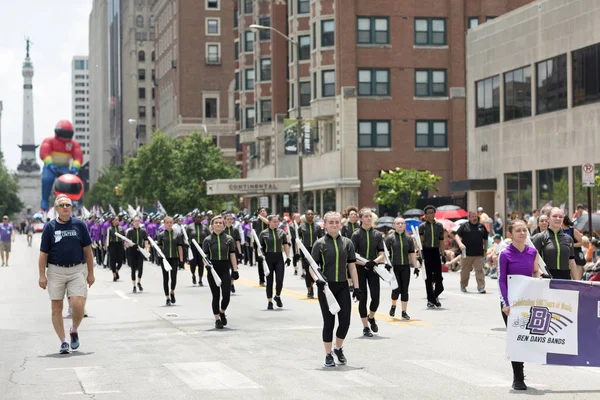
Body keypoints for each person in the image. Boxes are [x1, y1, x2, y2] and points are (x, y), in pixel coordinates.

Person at [38, 194, 95, 354]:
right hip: (56, 271)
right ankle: (63, 341)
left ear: (71, 208)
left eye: (68, 205)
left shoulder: (79, 225)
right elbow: (43, 254)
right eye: (61, 205)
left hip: (76, 269)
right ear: (56, 209)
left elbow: (88, 251)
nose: (65, 207)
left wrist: (91, 273)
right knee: (56, 307)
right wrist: (42, 275)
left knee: (78, 305)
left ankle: (74, 330)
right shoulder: (50, 227)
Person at [310, 211, 360, 367]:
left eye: (337, 222)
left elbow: (352, 266)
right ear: (325, 224)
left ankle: (338, 348)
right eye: (330, 222)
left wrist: (356, 287)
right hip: (326, 288)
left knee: (345, 322)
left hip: (343, 286)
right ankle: (328, 354)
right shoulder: (319, 244)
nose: (334, 225)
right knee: (329, 322)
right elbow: (312, 266)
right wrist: (317, 280)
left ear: (341, 224)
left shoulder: (347, 243)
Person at [498, 219, 542, 390]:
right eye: (518, 231)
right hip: (510, 303)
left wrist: (537, 278)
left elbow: (535, 271)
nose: (522, 233)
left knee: (526, 337)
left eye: (524, 230)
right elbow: (502, 280)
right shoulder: (505, 253)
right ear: (510, 234)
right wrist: (505, 303)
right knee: (516, 338)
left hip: (528, 301)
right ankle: (518, 377)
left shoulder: (532, 252)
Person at [351, 207, 385, 337]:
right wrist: (365, 263)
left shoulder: (377, 234)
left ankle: (371, 317)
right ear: (360, 219)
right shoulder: (356, 234)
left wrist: (374, 263)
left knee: (376, 298)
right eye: (366, 216)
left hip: (374, 269)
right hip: (360, 269)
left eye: (370, 216)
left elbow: (382, 254)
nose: (369, 218)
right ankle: (365, 327)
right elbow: (352, 255)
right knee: (363, 298)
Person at [202, 215, 240, 329]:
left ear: (223, 225)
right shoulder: (207, 240)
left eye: (220, 223)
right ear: (212, 225)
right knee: (216, 295)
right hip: (213, 269)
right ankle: (217, 319)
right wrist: (207, 266)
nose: (218, 224)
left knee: (226, 295)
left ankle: (222, 311)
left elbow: (232, 255)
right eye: (216, 223)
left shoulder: (229, 239)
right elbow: (204, 256)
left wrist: (235, 270)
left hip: (224, 268)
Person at [385, 217, 418, 320]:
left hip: (405, 267)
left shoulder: (409, 238)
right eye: (398, 223)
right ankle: (393, 305)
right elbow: (385, 253)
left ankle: (404, 312)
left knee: (405, 290)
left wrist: (416, 267)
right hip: (394, 267)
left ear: (405, 225)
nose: (400, 225)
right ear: (394, 225)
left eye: (402, 223)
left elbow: (412, 254)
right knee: (396, 289)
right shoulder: (389, 238)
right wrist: (386, 263)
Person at [531, 207, 576, 280]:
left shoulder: (569, 239)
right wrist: (539, 273)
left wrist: (578, 282)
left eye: (560, 217)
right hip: (546, 278)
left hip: (565, 278)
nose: (558, 218)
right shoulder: (539, 237)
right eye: (554, 216)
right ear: (548, 219)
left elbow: (571, 261)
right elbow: (532, 259)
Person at [258, 214, 291, 309]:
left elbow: (285, 245)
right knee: (269, 280)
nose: (276, 223)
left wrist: (288, 257)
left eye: (277, 221)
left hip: (279, 258)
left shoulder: (281, 233)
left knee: (279, 280)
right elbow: (259, 247)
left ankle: (277, 296)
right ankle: (269, 301)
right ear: (269, 222)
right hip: (268, 258)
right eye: (274, 221)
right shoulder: (263, 233)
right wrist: (260, 255)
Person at [454, 211, 489, 294]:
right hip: (466, 253)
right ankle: (463, 285)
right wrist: (460, 244)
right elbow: (456, 235)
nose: (474, 218)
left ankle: (481, 287)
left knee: (479, 271)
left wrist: (485, 250)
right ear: (469, 218)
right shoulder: (464, 226)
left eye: (475, 216)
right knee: (465, 271)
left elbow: (486, 239)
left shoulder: (481, 226)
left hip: (478, 254)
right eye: (472, 216)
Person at [419, 205, 446, 308]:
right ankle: (431, 300)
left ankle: (435, 296)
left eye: (432, 212)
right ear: (425, 215)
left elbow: (441, 241)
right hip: (426, 252)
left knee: (439, 278)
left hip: (435, 251)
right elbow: (420, 241)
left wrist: (443, 254)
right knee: (428, 278)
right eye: (428, 213)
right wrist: (420, 254)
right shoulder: (422, 226)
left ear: (434, 213)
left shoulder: (439, 226)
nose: (430, 214)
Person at [157, 216, 184, 306]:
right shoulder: (161, 235)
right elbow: (158, 247)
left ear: (172, 223)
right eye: (167, 222)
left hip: (174, 258)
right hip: (165, 259)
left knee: (174, 278)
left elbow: (180, 246)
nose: (169, 224)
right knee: (166, 278)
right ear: (164, 224)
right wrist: (159, 254)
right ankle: (167, 298)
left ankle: (172, 291)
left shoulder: (177, 234)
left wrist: (181, 257)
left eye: (170, 222)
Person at [298, 209, 324, 298]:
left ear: (313, 216)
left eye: (311, 214)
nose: (310, 215)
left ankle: (315, 285)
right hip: (305, 251)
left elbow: (321, 239)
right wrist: (298, 253)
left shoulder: (317, 227)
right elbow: (298, 241)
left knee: (316, 270)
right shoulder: (301, 227)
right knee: (308, 272)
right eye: (308, 214)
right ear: (305, 216)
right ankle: (309, 290)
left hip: (315, 250)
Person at [125, 216, 149, 293]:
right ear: (133, 222)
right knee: (133, 269)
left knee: (140, 268)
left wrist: (146, 249)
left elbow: (145, 241)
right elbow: (126, 242)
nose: (137, 223)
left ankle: (139, 282)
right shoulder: (130, 231)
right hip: (132, 251)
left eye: (138, 221)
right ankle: (134, 285)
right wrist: (132, 245)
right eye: (135, 221)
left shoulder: (143, 231)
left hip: (140, 251)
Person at [187, 212, 210, 286]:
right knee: (192, 263)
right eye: (197, 217)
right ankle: (193, 275)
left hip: (201, 247)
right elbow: (185, 237)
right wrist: (187, 243)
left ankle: (200, 279)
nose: (198, 219)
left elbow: (209, 236)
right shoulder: (190, 227)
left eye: (200, 217)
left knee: (201, 263)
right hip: (193, 247)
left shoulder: (205, 227)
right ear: (194, 218)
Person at [224, 213, 243, 293]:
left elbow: (237, 241)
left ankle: (231, 283)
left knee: (233, 269)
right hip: (224, 252)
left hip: (233, 252)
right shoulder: (222, 230)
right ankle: (227, 284)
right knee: (225, 269)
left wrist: (240, 252)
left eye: (231, 219)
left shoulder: (235, 230)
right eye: (227, 219)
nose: (229, 221)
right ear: (224, 220)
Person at [105, 216, 125, 282]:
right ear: (112, 221)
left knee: (120, 260)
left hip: (119, 244)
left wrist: (125, 244)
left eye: (118, 220)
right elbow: (107, 238)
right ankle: (114, 275)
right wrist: (106, 246)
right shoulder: (109, 229)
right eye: (116, 220)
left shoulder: (121, 228)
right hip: (112, 245)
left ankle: (116, 270)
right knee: (112, 260)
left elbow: (124, 237)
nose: (117, 221)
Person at [253, 208, 269, 285]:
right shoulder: (255, 222)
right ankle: (261, 279)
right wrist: (252, 243)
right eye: (261, 211)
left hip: (268, 243)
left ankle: (269, 278)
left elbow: (267, 222)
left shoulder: (269, 219)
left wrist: (259, 215)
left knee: (268, 260)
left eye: (264, 211)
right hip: (259, 244)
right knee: (260, 261)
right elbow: (253, 233)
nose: (263, 212)